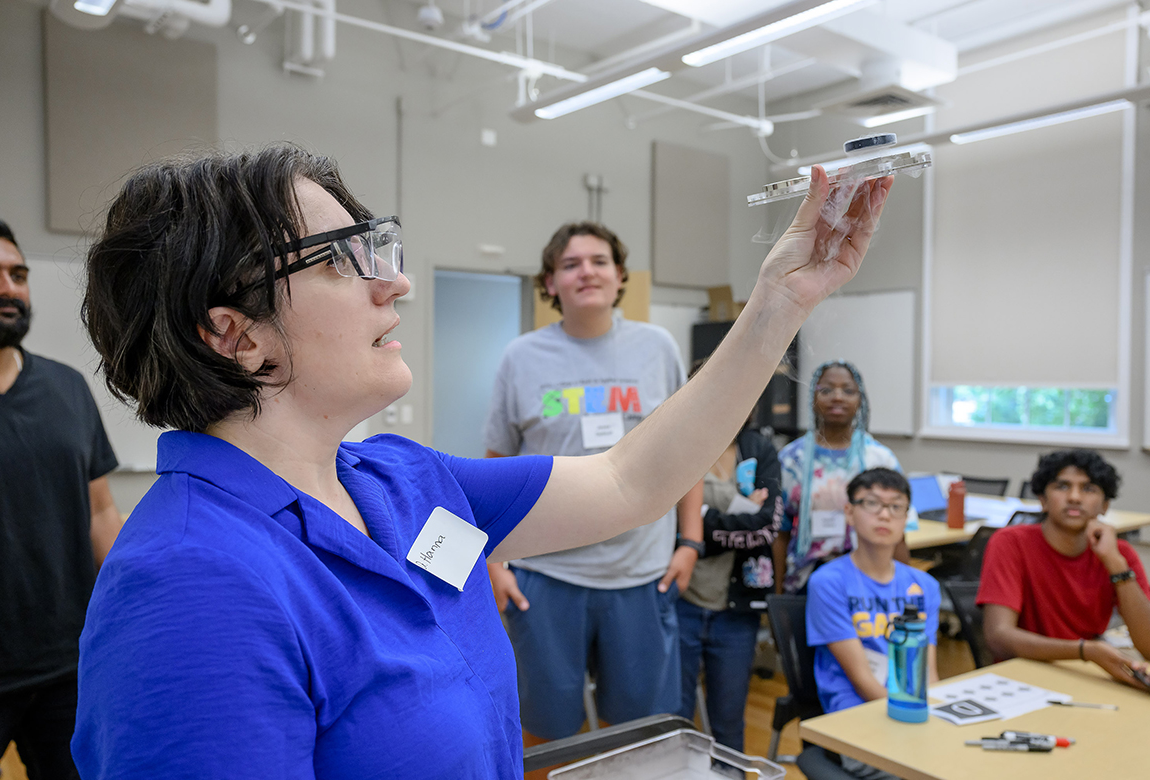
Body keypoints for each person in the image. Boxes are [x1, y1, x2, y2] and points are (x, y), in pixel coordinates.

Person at [70, 145, 893, 779]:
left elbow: (629, 480)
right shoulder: (191, 584)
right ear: (233, 335)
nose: (393, 284)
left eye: (377, 250)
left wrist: (782, 299)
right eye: (339, 258)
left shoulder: (399, 480)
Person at [482, 221, 703, 743]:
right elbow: (494, 467)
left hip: (641, 574)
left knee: (640, 731)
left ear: (620, 275)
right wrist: (492, 561)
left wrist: (690, 541)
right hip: (546, 578)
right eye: (571, 264)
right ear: (550, 282)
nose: (587, 272)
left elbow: (686, 453)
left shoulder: (657, 347)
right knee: (543, 728)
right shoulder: (521, 357)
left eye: (599, 261)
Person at [0, 214, 121, 780]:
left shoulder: (67, 387)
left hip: (69, 662)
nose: (7, 288)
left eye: (18, 273)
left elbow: (101, 511)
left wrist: (131, 602)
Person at [806, 468, 940, 780]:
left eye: (896, 506)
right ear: (850, 513)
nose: (885, 515)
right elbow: (862, 682)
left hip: (913, 713)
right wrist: (919, 722)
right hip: (857, 718)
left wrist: (933, 719)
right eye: (872, 504)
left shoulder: (924, 585)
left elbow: (929, 674)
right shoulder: (829, 582)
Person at [978, 449, 1150, 688]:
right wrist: (1084, 651)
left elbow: (1148, 647)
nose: (1075, 497)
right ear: (1042, 499)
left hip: (1087, 676)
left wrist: (1116, 565)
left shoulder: (1120, 554)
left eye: (1088, 489)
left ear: (1105, 505)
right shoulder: (1010, 543)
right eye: (1062, 486)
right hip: (1022, 676)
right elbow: (998, 637)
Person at [675, 384, 780, 752]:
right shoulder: (678, 449)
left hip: (737, 609)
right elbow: (662, 524)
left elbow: (767, 527)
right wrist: (740, 509)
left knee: (729, 722)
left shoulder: (759, 449)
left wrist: (700, 522)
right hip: (680, 601)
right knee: (675, 719)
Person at [774, 360, 910, 594]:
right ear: (813, 399)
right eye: (826, 390)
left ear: (860, 400)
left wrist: (903, 592)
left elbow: (897, 535)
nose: (837, 397)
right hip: (806, 580)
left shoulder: (880, 459)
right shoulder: (791, 460)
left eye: (848, 390)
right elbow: (780, 532)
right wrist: (776, 597)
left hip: (868, 580)